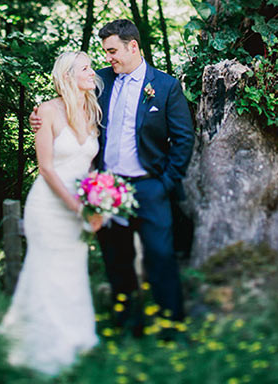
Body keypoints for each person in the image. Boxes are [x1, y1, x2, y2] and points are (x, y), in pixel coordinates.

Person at [32, 19, 195, 334]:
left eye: (112, 51)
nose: (108, 58)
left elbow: (183, 138)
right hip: (106, 188)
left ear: (133, 46)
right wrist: (37, 118)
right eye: (106, 52)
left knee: (160, 255)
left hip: (149, 186)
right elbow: (66, 107)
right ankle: (127, 325)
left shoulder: (165, 86)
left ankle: (171, 326)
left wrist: (165, 183)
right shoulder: (100, 81)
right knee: (116, 257)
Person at [0, 51, 103, 376]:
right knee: (47, 270)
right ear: (68, 76)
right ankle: (43, 345)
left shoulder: (91, 110)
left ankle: (75, 339)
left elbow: (90, 165)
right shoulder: (46, 111)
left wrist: (96, 201)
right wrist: (76, 206)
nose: (93, 72)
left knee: (72, 270)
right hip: (49, 206)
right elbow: (45, 168)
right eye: (86, 68)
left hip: (80, 205)